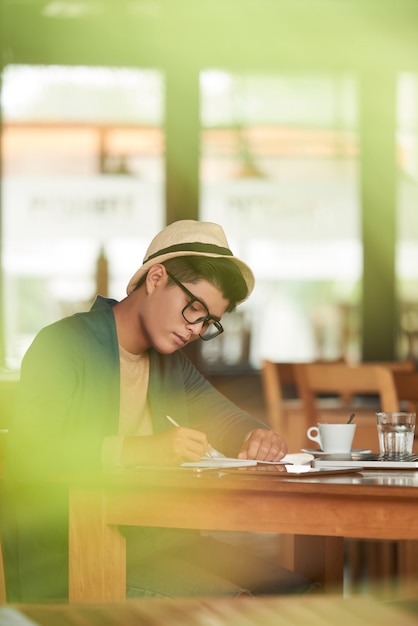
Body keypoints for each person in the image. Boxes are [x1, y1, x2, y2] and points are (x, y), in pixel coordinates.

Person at [3, 220, 314, 601]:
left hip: (157, 541)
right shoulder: (63, 344)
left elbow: (226, 419)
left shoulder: (172, 365)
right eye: (193, 309)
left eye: (209, 322)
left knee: (300, 592)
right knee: (235, 607)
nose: (196, 330)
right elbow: (30, 456)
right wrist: (142, 449)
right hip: (73, 550)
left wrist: (255, 436)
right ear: (155, 278)